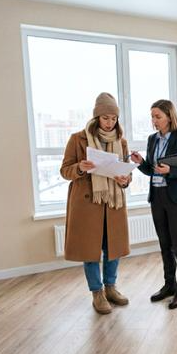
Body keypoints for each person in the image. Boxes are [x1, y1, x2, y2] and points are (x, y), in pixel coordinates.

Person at [60, 92, 132, 315]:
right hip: (87, 204)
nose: (110, 123)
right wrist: (80, 168)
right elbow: (65, 171)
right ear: (96, 117)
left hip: (113, 204)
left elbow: (126, 173)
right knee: (90, 250)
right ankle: (97, 293)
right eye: (105, 118)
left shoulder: (121, 142)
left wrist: (125, 180)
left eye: (114, 118)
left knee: (113, 249)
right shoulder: (77, 139)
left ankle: (111, 288)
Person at [130, 100, 177, 310]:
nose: (154, 120)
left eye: (158, 116)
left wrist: (171, 171)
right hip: (157, 197)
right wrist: (141, 163)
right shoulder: (152, 140)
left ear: (169, 116)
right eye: (152, 116)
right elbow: (152, 170)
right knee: (164, 244)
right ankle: (169, 285)